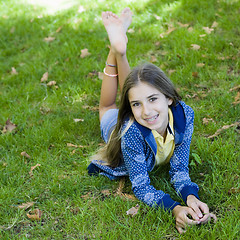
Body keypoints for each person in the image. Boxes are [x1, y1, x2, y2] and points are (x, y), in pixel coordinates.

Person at [87, 8, 217, 234]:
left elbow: (179, 169)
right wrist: (174, 208)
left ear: (169, 98)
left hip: (138, 117)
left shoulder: (184, 116)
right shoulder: (130, 132)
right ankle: (116, 50)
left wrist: (191, 196)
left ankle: (119, 47)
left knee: (135, 89)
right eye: (136, 104)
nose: (146, 111)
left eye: (153, 99)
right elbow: (141, 185)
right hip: (116, 128)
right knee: (107, 107)